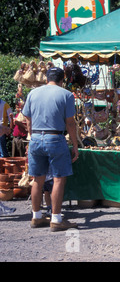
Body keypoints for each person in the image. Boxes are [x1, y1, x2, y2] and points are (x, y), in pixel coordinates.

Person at [22, 67, 79, 232]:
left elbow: (27, 116)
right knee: (58, 178)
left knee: (37, 179)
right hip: (55, 138)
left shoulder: (33, 93)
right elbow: (70, 122)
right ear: (63, 80)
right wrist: (75, 145)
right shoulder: (66, 94)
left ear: (47, 78)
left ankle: (36, 216)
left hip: (36, 139)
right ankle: (56, 218)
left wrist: (31, 133)